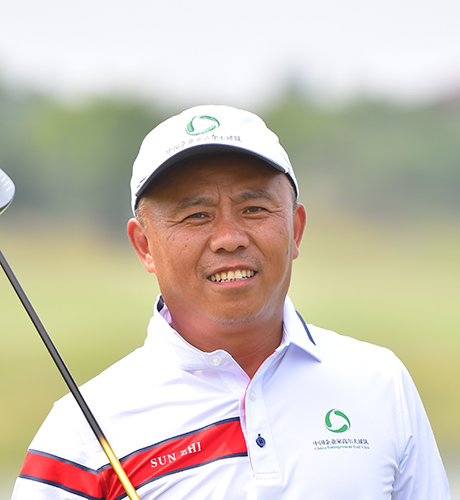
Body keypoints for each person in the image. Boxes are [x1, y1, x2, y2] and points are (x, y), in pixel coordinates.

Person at [12, 105, 450, 499]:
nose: (229, 238)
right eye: (196, 215)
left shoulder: (381, 383)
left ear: (295, 229)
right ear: (144, 245)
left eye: (254, 209)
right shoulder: (80, 434)